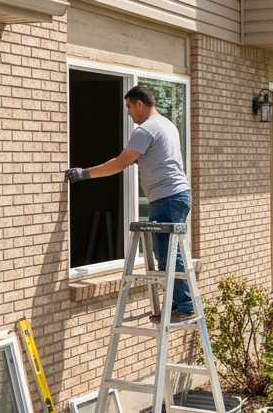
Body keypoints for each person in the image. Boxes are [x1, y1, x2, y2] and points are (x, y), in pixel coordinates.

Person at [65, 85, 194, 322]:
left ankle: (184, 307)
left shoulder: (146, 130)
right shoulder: (167, 124)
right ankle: (177, 305)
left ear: (139, 104)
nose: (128, 113)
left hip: (167, 197)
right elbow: (159, 158)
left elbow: (119, 163)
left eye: (128, 107)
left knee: (167, 255)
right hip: (176, 195)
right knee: (167, 253)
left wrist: (85, 173)